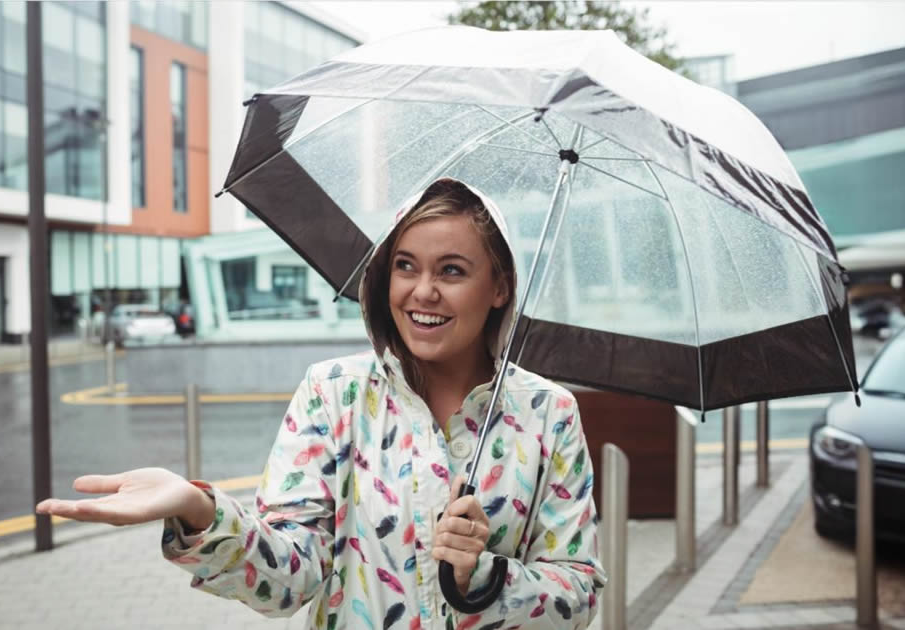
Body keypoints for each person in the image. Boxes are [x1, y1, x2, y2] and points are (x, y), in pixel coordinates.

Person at [37, 178, 606, 629]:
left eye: (452, 271)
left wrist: (484, 579)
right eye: (405, 265)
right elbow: (290, 579)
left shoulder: (547, 413)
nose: (422, 291)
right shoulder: (334, 393)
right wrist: (199, 511)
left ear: (499, 286)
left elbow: (579, 593)